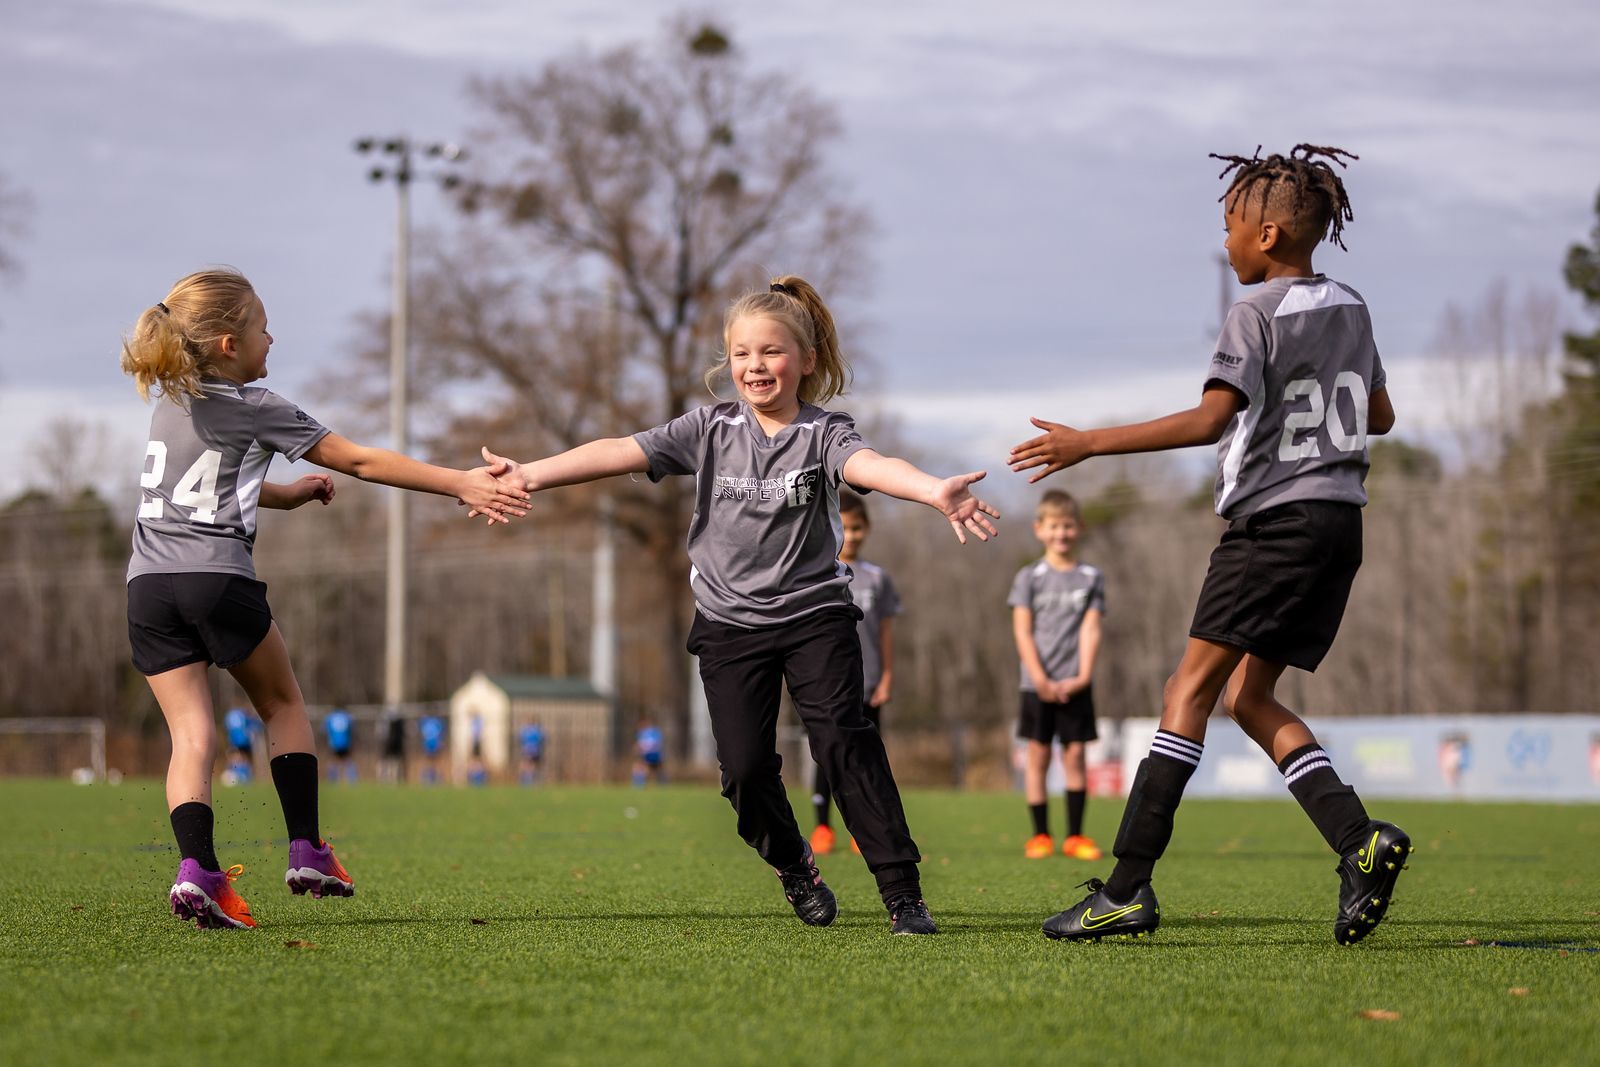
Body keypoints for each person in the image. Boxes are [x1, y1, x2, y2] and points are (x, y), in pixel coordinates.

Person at [480, 275, 1000, 935]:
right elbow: (620, 450)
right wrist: (531, 473)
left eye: (773, 351)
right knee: (746, 771)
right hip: (729, 626)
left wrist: (932, 491)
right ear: (728, 362)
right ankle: (793, 864)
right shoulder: (708, 429)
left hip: (815, 616)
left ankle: (903, 895)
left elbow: (870, 465)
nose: (756, 366)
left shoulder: (822, 433)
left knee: (844, 744)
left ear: (806, 360)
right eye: (743, 353)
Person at [1010, 146, 1411, 945]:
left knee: (1184, 695)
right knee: (1250, 699)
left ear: (1267, 234)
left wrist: (1089, 443)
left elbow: (1208, 420)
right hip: (1339, 523)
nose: (1224, 243)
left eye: (1228, 228)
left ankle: (1125, 888)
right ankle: (1359, 841)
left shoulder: (1254, 312)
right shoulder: (1353, 306)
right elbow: (1381, 416)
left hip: (1273, 526)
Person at [122, 267, 528, 930]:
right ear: (229, 344)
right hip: (218, 577)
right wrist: (461, 481)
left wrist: (289, 492)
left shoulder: (171, 403)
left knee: (191, 734)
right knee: (282, 704)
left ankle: (197, 870)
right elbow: (361, 459)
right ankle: (307, 847)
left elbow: (206, 485)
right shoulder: (259, 406)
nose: (272, 337)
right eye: (261, 327)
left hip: (148, 586)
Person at [1009, 489, 1105, 862]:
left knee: (1076, 755)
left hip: (1076, 683)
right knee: (1038, 756)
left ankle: (1076, 836)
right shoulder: (1029, 577)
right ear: (1039, 529)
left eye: (1067, 526)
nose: (1061, 534)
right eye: (1053, 526)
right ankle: (1041, 836)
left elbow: (1091, 629)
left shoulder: (1091, 577)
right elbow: (1022, 631)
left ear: (1078, 528)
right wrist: (1040, 678)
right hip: (1036, 684)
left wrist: (1083, 675)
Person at [809, 490, 899, 858]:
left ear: (868, 528)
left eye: (858, 527)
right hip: (828, 681)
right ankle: (822, 827)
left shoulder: (878, 578)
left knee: (865, 757)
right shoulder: (817, 571)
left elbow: (886, 632)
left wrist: (888, 675)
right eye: (845, 526)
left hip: (869, 682)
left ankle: (864, 831)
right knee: (827, 754)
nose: (852, 534)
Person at [222, 706, 260, 784]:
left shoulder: (230, 715)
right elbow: (254, 725)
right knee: (243, 757)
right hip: (244, 740)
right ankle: (243, 775)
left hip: (234, 739)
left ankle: (240, 775)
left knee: (235, 756)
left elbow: (226, 726)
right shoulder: (243, 715)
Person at [323, 707, 355, 784]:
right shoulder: (347, 716)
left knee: (333, 760)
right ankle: (352, 780)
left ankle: (332, 780)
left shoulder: (330, 717)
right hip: (345, 742)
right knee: (347, 761)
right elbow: (352, 729)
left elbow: (324, 730)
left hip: (334, 743)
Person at [632, 717, 666, 787]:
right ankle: (663, 783)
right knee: (656, 769)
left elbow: (654, 744)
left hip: (650, 754)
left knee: (639, 768)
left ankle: (638, 785)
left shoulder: (646, 733)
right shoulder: (654, 732)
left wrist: (638, 749)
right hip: (654, 754)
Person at [418, 714, 446, 784]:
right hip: (430, 742)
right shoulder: (427, 721)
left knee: (435, 761)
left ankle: (437, 777)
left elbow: (441, 732)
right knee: (428, 761)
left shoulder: (433, 721)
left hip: (433, 742)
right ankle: (426, 777)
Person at [518, 720, 546, 786]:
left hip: (527, 750)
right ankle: (531, 781)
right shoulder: (537, 730)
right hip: (535, 750)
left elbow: (520, 739)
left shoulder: (525, 730)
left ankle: (526, 781)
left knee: (527, 765)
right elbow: (542, 739)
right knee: (534, 766)